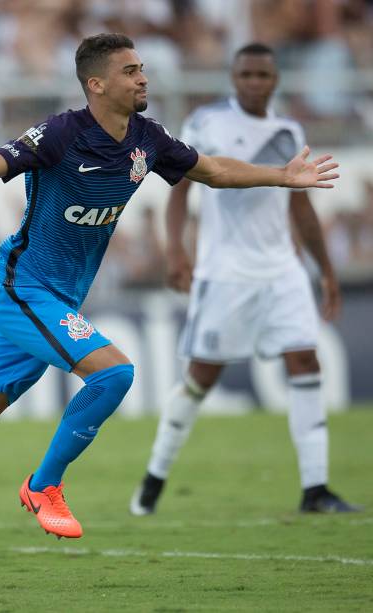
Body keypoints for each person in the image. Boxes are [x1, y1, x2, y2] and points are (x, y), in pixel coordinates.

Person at [0, 33, 339, 586]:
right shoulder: (60, 134)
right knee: (115, 374)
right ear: (96, 84)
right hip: (20, 289)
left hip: (56, 300)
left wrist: (283, 177)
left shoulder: (148, 140)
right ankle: (43, 486)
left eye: (143, 68)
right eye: (131, 71)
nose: (143, 78)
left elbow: (215, 171)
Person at [129, 43, 359, 516]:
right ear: (234, 79)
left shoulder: (289, 130)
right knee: (201, 377)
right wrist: (176, 249)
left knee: (305, 361)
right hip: (225, 273)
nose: (254, 82)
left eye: (262, 75)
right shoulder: (207, 123)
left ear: (275, 81)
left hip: (282, 271)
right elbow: (178, 187)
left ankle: (315, 489)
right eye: (246, 74)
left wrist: (327, 271)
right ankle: (153, 478)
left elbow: (301, 205)